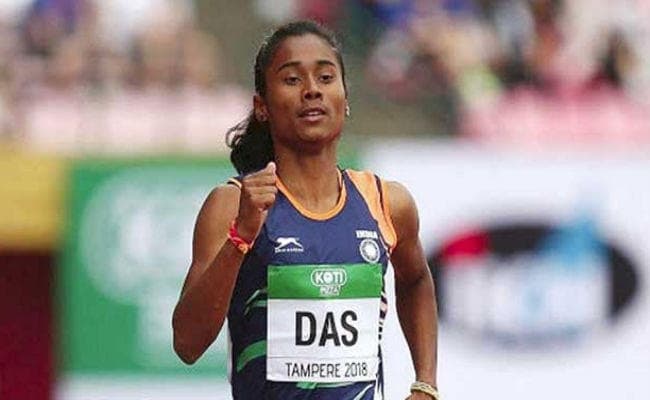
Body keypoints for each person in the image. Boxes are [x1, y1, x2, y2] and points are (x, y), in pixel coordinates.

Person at [172, 20, 439, 400]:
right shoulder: (233, 204)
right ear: (262, 107)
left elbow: (416, 280)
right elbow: (187, 344)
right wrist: (240, 238)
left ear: (345, 98)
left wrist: (425, 383)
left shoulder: (386, 203)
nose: (312, 90)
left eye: (326, 77)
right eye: (292, 79)